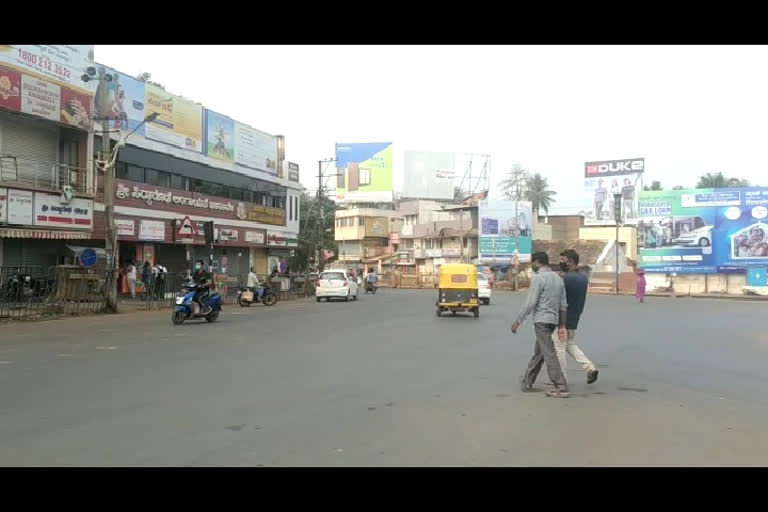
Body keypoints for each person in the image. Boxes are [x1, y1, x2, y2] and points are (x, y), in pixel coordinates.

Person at [511, 252, 570, 398]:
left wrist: (518, 321)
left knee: (548, 353)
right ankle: (528, 381)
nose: (532, 266)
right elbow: (563, 305)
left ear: (538, 262)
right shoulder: (558, 278)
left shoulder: (538, 278)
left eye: (533, 263)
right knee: (540, 352)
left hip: (541, 320)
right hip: (553, 320)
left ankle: (561, 386)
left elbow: (531, 302)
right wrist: (562, 325)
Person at [554, 250, 599, 385]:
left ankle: (561, 380)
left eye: (563, 260)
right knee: (570, 345)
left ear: (571, 262)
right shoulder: (583, 279)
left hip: (562, 320)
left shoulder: (566, 279)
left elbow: (560, 299)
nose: (561, 262)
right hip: (574, 318)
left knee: (559, 348)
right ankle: (590, 368)